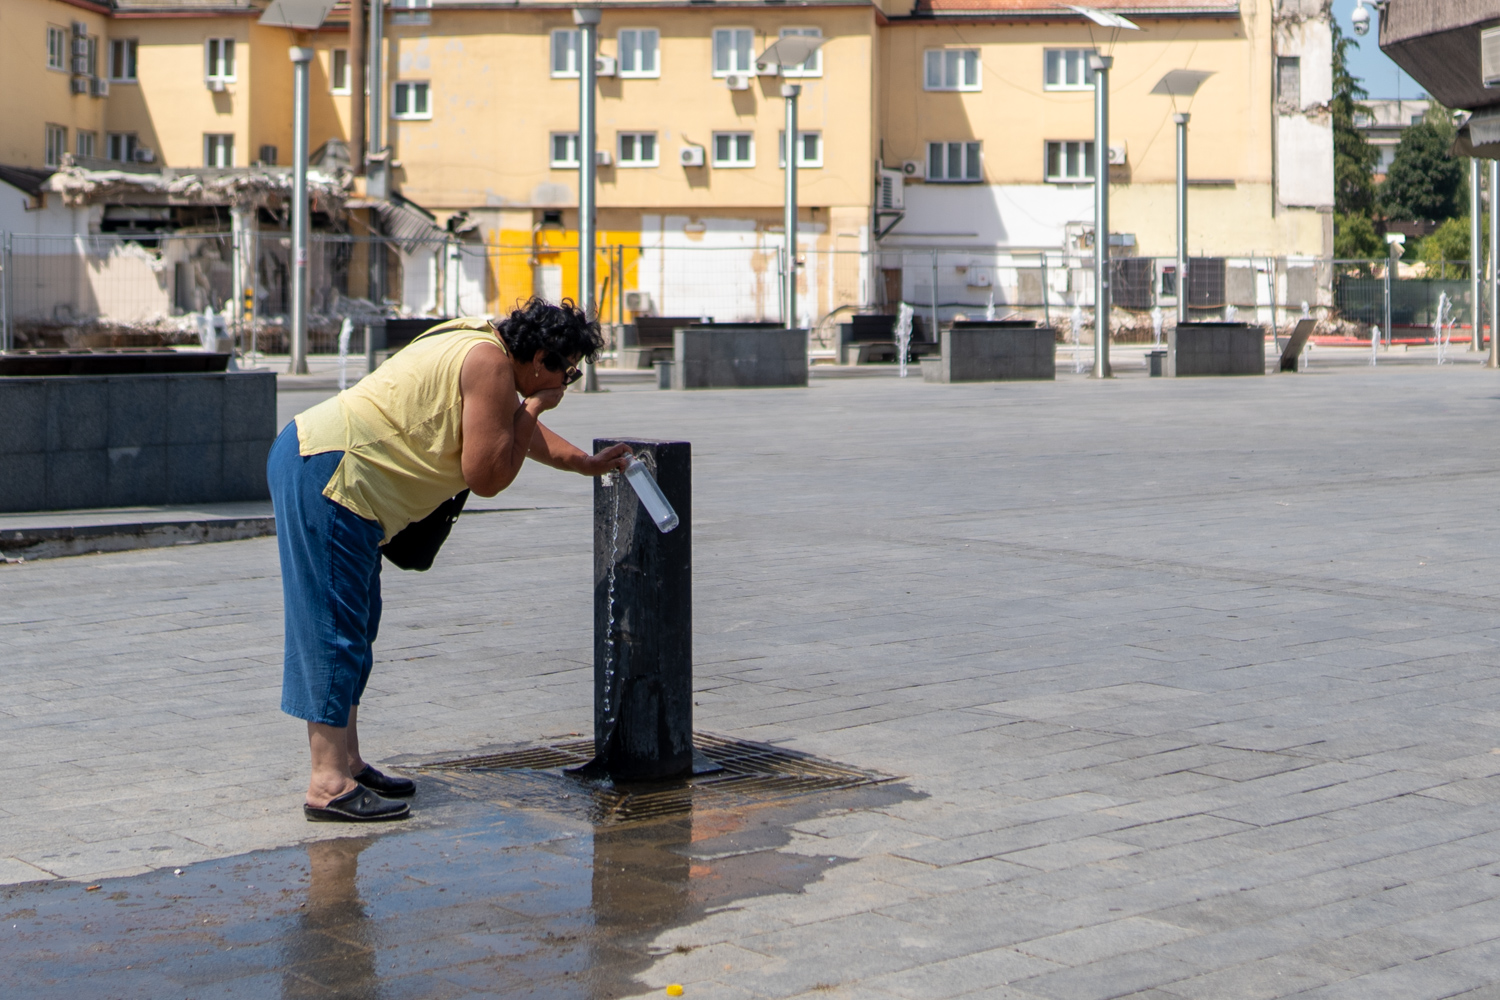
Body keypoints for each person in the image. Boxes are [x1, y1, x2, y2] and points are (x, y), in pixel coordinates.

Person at [267, 299, 630, 822]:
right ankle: (327, 785)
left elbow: (505, 429)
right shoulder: (489, 364)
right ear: (540, 357)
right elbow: (486, 474)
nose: (565, 384)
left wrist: (583, 463)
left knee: (358, 624)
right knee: (333, 630)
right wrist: (535, 408)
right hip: (330, 473)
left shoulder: (482, 342)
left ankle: (347, 762)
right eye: (566, 370)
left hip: (331, 470)